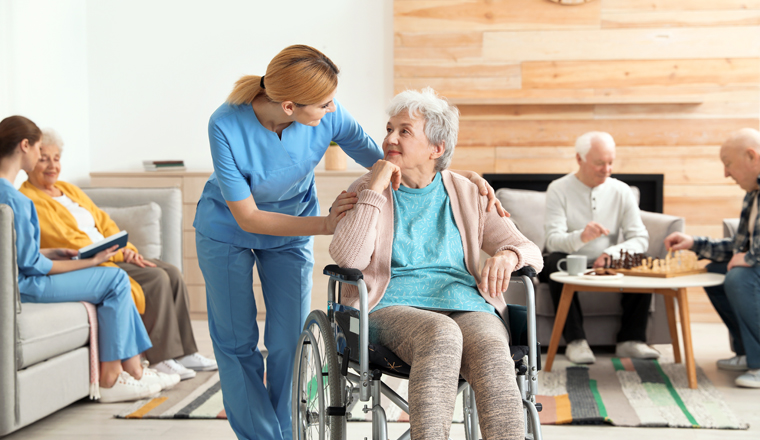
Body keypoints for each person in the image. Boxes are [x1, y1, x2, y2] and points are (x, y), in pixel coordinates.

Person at [194, 45, 507, 440]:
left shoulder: (329, 114)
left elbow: (392, 158)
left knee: (288, 340)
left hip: (295, 230)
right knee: (237, 342)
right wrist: (325, 224)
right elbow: (249, 217)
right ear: (289, 106)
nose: (333, 109)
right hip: (229, 231)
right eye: (324, 104)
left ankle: (288, 431)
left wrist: (456, 176)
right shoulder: (224, 124)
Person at [329, 87, 542, 440]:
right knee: (441, 333)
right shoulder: (368, 190)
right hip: (390, 306)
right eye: (389, 129)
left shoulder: (467, 192)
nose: (389, 138)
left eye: (404, 131)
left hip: (466, 305)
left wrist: (508, 256)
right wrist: (375, 186)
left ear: (436, 149)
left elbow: (527, 247)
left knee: (491, 345)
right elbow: (348, 258)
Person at [0, 115, 177, 403]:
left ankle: (134, 371)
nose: (42, 157)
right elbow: (34, 268)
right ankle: (111, 378)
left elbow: (14, 253)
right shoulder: (19, 201)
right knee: (115, 280)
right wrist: (90, 262)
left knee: (117, 277)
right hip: (26, 286)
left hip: (19, 278)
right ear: (24, 146)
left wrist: (51, 251)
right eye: (39, 150)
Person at [19, 128, 217, 381]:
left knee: (171, 272)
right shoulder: (28, 198)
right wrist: (115, 255)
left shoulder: (69, 190)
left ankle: (185, 352)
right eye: (44, 158)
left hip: (112, 254)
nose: (52, 165)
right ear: (31, 159)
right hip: (92, 262)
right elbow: (65, 241)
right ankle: (161, 358)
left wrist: (127, 251)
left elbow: (105, 222)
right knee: (156, 279)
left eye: (56, 158)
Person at [539, 131, 657, 364]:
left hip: (606, 263)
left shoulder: (621, 191)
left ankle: (631, 340)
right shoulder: (558, 188)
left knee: (643, 260)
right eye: (599, 163)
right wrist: (581, 237)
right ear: (580, 159)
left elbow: (640, 238)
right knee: (553, 260)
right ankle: (576, 341)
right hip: (570, 260)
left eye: (610, 162)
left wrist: (610, 254)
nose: (607, 169)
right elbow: (552, 240)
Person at [665, 128, 760, 388]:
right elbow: (736, 247)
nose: (726, 173)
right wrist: (694, 243)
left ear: (752, 156)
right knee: (715, 272)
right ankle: (746, 352)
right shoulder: (753, 194)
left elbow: (749, 254)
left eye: (728, 164)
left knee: (740, 277)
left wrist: (751, 258)